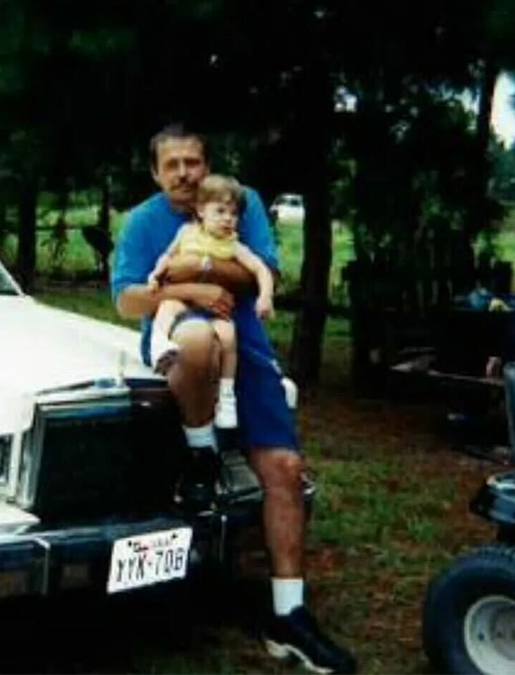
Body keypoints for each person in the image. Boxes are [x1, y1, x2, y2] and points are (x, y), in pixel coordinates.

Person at [111, 124, 357, 674]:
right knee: (197, 336)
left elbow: (259, 274)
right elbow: (129, 299)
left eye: (192, 162)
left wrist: (189, 273)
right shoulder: (143, 222)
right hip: (184, 351)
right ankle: (202, 453)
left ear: (206, 163)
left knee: (287, 469)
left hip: (247, 351)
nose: (183, 173)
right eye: (171, 164)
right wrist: (192, 289)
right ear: (155, 172)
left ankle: (288, 616)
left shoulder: (236, 203)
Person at [145, 174, 275, 429]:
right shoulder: (186, 233)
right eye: (221, 211)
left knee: (228, 337)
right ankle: (158, 346)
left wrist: (265, 297)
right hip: (184, 302)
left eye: (234, 213)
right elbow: (167, 255)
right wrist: (155, 274)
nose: (228, 218)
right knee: (166, 307)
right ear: (201, 210)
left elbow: (261, 269)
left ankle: (226, 397)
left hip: (216, 310)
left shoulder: (233, 245)